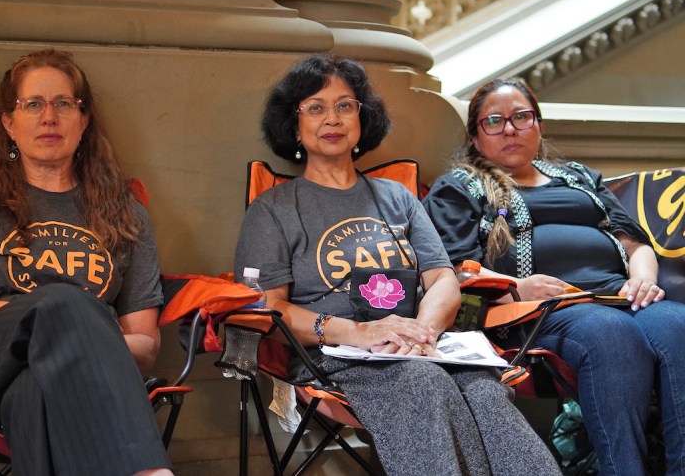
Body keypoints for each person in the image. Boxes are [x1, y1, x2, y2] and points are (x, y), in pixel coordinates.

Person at [233, 55, 561, 476]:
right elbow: (269, 308)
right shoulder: (273, 210)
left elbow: (442, 277)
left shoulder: (397, 197)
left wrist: (422, 332)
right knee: (420, 384)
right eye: (315, 107)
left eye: (345, 105)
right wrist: (360, 332)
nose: (331, 118)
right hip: (335, 357)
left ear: (361, 118)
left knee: (484, 391)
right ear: (293, 125)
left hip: (421, 346)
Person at [0, 49, 173, 476]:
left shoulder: (126, 214)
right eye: (32, 104)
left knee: (37, 390)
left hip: (67, 380)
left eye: (63, 103)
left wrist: (79, 349)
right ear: (8, 122)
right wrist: (70, 324)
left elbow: (146, 345)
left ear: (84, 119)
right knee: (64, 302)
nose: (48, 117)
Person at [423, 77, 685, 476]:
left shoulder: (580, 178)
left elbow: (636, 244)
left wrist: (644, 280)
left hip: (618, 296)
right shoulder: (460, 188)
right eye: (494, 121)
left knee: (677, 326)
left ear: (539, 126)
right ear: (476, 138)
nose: (510, 129)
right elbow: (453, 267)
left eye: (521, 117)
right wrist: (516, 287)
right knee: (610, 332)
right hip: (535, 313)